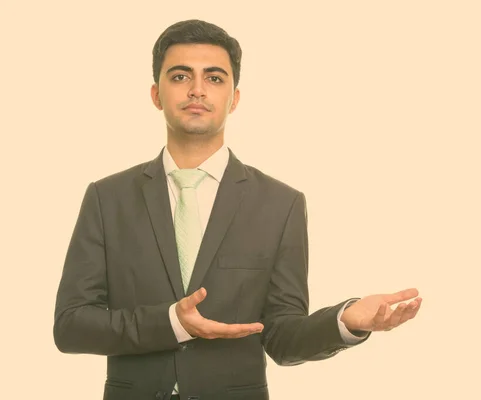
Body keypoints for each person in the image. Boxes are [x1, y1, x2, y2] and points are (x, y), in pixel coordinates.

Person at [53, 19, 423, 400]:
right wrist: (171, 323)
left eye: (214, 78)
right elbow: (71, 326)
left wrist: (343, 321)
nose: (197, 90)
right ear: (155, 94)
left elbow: (281, 337)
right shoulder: (107, 197)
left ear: (235, 96)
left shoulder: (281, 204)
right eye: (180, 76)